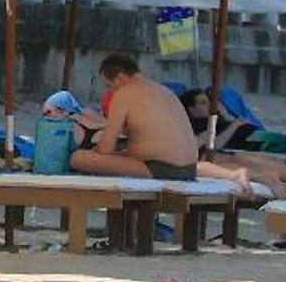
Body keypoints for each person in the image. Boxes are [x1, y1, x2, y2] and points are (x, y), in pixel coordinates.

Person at [66, 53, 274, 194]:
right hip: (188, 167)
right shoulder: (163, 90)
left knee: (79, 157)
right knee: (117, 157)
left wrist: (97, 151)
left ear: (120, 78)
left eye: (109, 86)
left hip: (160, 168)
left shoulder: (124, 93)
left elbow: (105, 148)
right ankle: (235, 174)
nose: (109, 91)